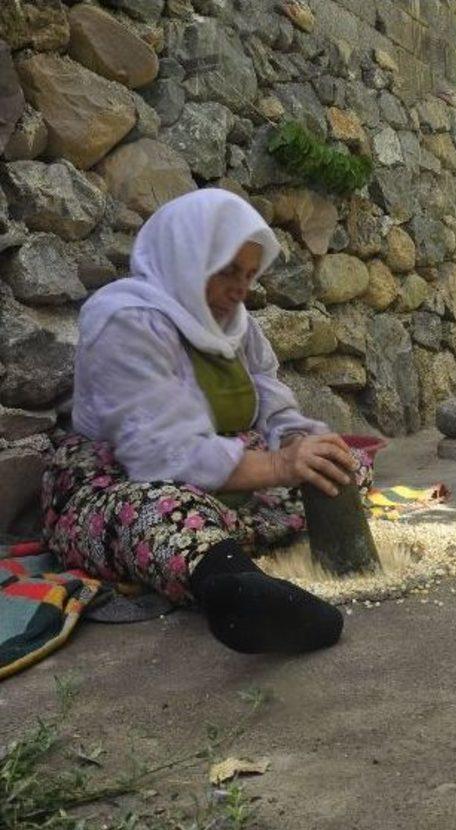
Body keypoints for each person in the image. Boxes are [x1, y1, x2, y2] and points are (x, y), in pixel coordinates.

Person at [41, 189, 373, 656]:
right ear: (188, 257)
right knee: (163, 513)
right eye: (228, 271)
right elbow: (159, 453)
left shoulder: (236, 324)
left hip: (226, 471)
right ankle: (236, 590)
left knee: (344, 463)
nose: (240, 288)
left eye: (249, 275)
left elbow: (273, 406)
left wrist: (302, 443)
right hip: (126, 480)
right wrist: (281, 467)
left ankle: (225, 538)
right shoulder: (126, 319)